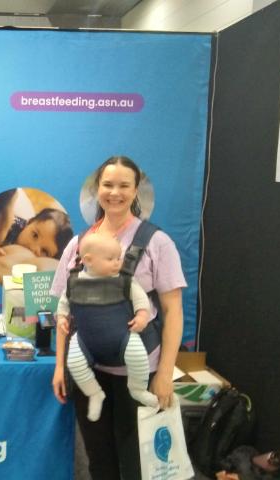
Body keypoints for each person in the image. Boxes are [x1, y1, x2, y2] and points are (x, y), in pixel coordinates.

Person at [51, 155, 186, 479]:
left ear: (136, 189)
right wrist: (59, 365)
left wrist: (165, 373)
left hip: (139, 369)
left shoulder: (157, 242)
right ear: (96, 189)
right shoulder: (78, 245)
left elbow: (173, 311)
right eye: (108, 185)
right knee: (99, 460)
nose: (115, 192)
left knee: (138, 462)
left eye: (124, 185)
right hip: (91, 369)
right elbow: (63, 311)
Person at [56, 233, 156, 423]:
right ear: (88, 260)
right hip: (85, 340)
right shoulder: (74, 282)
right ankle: (94, 393)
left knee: (139, 357)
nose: (117, 263)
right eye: (111, 259)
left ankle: (138, 389)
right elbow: (63, 305)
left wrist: (142, 316)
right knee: (75, 364)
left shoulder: (125, 280)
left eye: (119, 258)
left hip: (123, 338)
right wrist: (62, 319)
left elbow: (141, 301)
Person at [0, 189, 68, 282]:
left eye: (45, 251)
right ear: (28, 224)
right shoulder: (10, 226)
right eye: (35, 235)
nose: (33, 247)